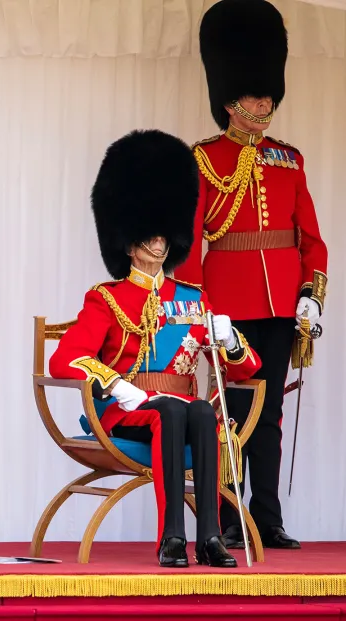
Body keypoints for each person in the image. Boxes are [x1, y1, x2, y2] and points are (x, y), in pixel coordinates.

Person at [49, 129, 262, 568]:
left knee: (200, 410)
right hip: (128, 410)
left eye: (164, 234)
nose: (160, 243)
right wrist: (117, 385)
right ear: (129, 244)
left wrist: (229, 339)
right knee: (170, 410)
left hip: (180, 410)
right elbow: (65, 358)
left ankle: (209, 538)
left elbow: (244, 370)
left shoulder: (191, 298)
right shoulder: (106, 298)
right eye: (150, 235)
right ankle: (170, 538)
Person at [174, 0, 328, 550]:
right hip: (229, 307)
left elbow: (310, 238)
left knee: (272, 416)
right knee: (231, 416)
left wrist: (311, 294)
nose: (264, 101)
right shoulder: (204, 159)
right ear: (229, 98)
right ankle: (225, 517)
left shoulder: (289, 159)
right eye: (253, 92)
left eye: (268, 93)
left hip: (282, 304)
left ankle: (267, 518)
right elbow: (191, 243)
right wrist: (203, 308)